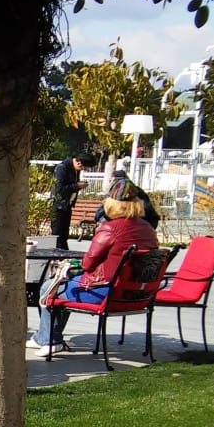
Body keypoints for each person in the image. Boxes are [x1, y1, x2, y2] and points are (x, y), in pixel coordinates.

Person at [31, 177, 160, 356]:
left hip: (104, 293)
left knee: (50, 286)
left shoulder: (110, 228)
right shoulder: (148, 230)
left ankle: (50, 340)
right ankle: (45, 337)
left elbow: (88, 263)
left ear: (111, 203)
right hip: (139, 295)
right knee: (61, 286)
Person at [50, 152, 94, 250]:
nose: (83, 170)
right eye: (84, 167)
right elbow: (58, 190)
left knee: (64, 235)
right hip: (58, 206)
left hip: (67, 206)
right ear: (79, 163)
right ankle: (56, 255)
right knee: (57, 236)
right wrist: (77, 186)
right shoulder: (62, 168)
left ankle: (63, 255)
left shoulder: (75, 169)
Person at [94, 170, 160, 229]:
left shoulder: (115, 191)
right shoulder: (137, 191)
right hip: (143, 226)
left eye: (110, 180)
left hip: (117, 227)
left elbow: (99, 214)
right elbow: (152, 215)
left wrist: (106, 224)